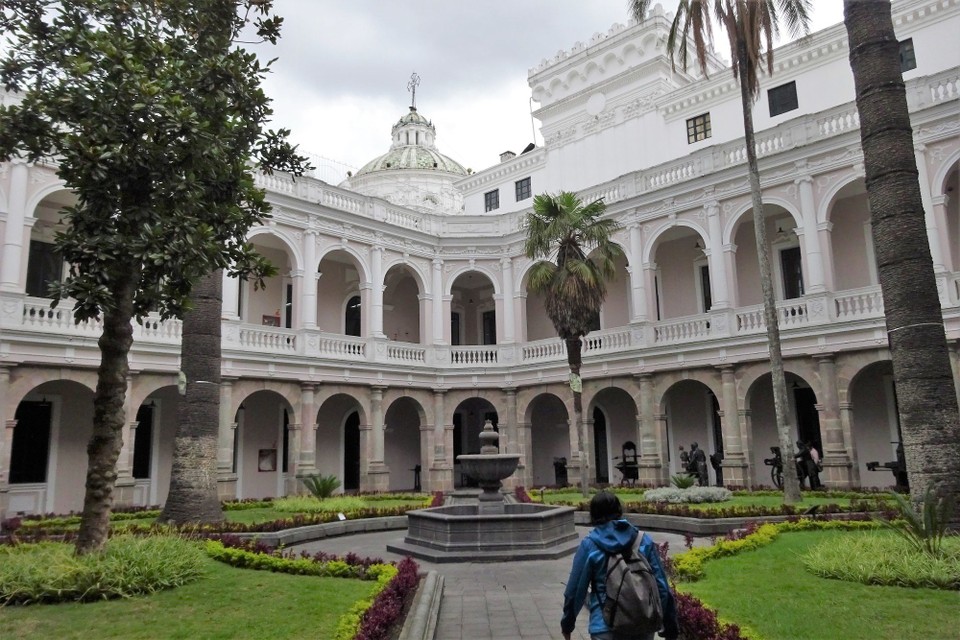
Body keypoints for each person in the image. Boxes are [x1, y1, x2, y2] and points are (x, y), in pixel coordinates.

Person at [561, 491, 679, 640]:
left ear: (594, 514)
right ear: (619, 510)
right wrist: (669, 625)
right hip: (642, 625)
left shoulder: (589, 545)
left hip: (604, 627)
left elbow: (575, 590)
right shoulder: (642, 540)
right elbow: (661, 585)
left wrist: (567, 624)